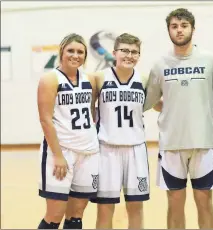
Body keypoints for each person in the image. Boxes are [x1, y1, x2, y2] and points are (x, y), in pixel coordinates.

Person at [143, 8, 213, 229]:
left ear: (193, 29)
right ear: (168, 30)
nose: (179, 30)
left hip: (203, 144)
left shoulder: (210, 61)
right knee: (174, 204)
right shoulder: (160, 65)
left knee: (204, 202)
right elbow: (149, 101)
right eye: (174, 26)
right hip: (171, 145)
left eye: (184, 25)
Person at [37, 33, 99, 229]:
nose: (75, 55)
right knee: (55, 214)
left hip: (88, 153)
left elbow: (92, 112)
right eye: (70, 50)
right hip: (61, 152)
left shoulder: (90, 79)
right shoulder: (50, 79)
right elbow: (45, 119)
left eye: (80, 52)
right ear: (61, 52)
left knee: (76, 215)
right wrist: (57, 156)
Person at [88, 33, 150, 229]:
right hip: (107, 150)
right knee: (105, 209)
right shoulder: (98, 78)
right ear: (114, 53)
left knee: (136, 207)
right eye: (124, 50)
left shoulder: (145, 78)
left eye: (134, 52)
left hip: (136, 149)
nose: (129, 55)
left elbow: (160, 105)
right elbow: (89, 112)